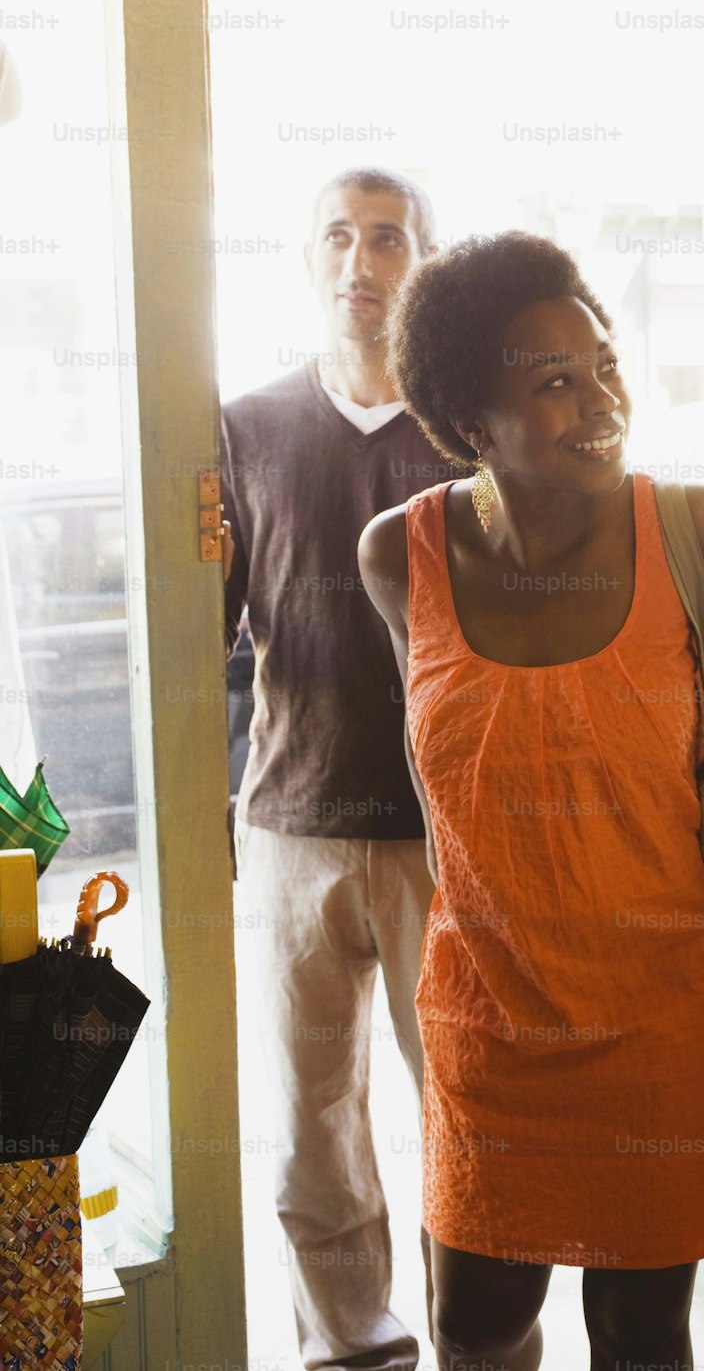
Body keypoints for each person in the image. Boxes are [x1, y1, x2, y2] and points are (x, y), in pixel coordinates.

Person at [358, 231, 704, 1371]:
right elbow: (451, 766)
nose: (600, 402)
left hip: (664, 1009)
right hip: (491, 1021)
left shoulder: (691, 530)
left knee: (639, 1332)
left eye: (603, 365)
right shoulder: (401, 557)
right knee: (473, 1323)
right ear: (467, 422)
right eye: (552, 383)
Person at [222, 167, 449, 1371]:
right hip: (293, 824)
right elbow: (210, 638)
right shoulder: (246, 426)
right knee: (314, 1127)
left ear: (422, 262)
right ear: (307, 260)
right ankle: (353, 1352)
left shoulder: (468, 434)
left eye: (387, 239)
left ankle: (477, 1334)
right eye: (337, 238)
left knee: (461, 1112)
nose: (360, 261)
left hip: (439, 835)